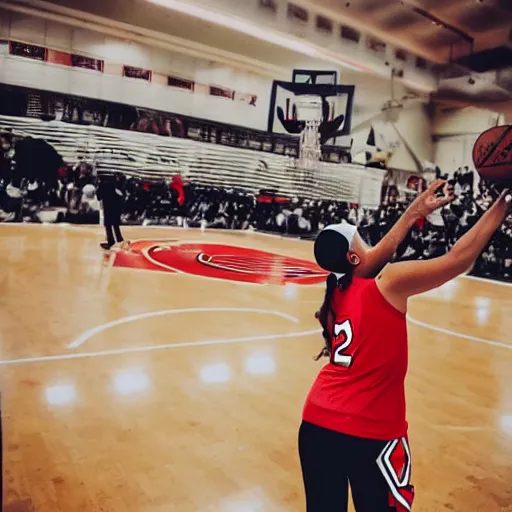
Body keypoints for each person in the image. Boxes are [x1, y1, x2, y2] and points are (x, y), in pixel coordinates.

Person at [299, 182, 512, 512]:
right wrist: (505, 201)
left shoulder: (332, 300)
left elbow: (374, 255)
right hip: (369, 432)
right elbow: (459, 259)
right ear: (355, 256)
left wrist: (415, 212)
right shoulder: (389, 283)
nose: (372, 244)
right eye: (362, 240)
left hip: (315, 426)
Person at [97, 173, 125, 250]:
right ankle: (120, 240)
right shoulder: (116, 183)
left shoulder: (102, 184)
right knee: (116, 225)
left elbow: (99, 197)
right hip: (116, 207)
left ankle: (111, 242)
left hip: (107, 206)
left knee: (108, 225)